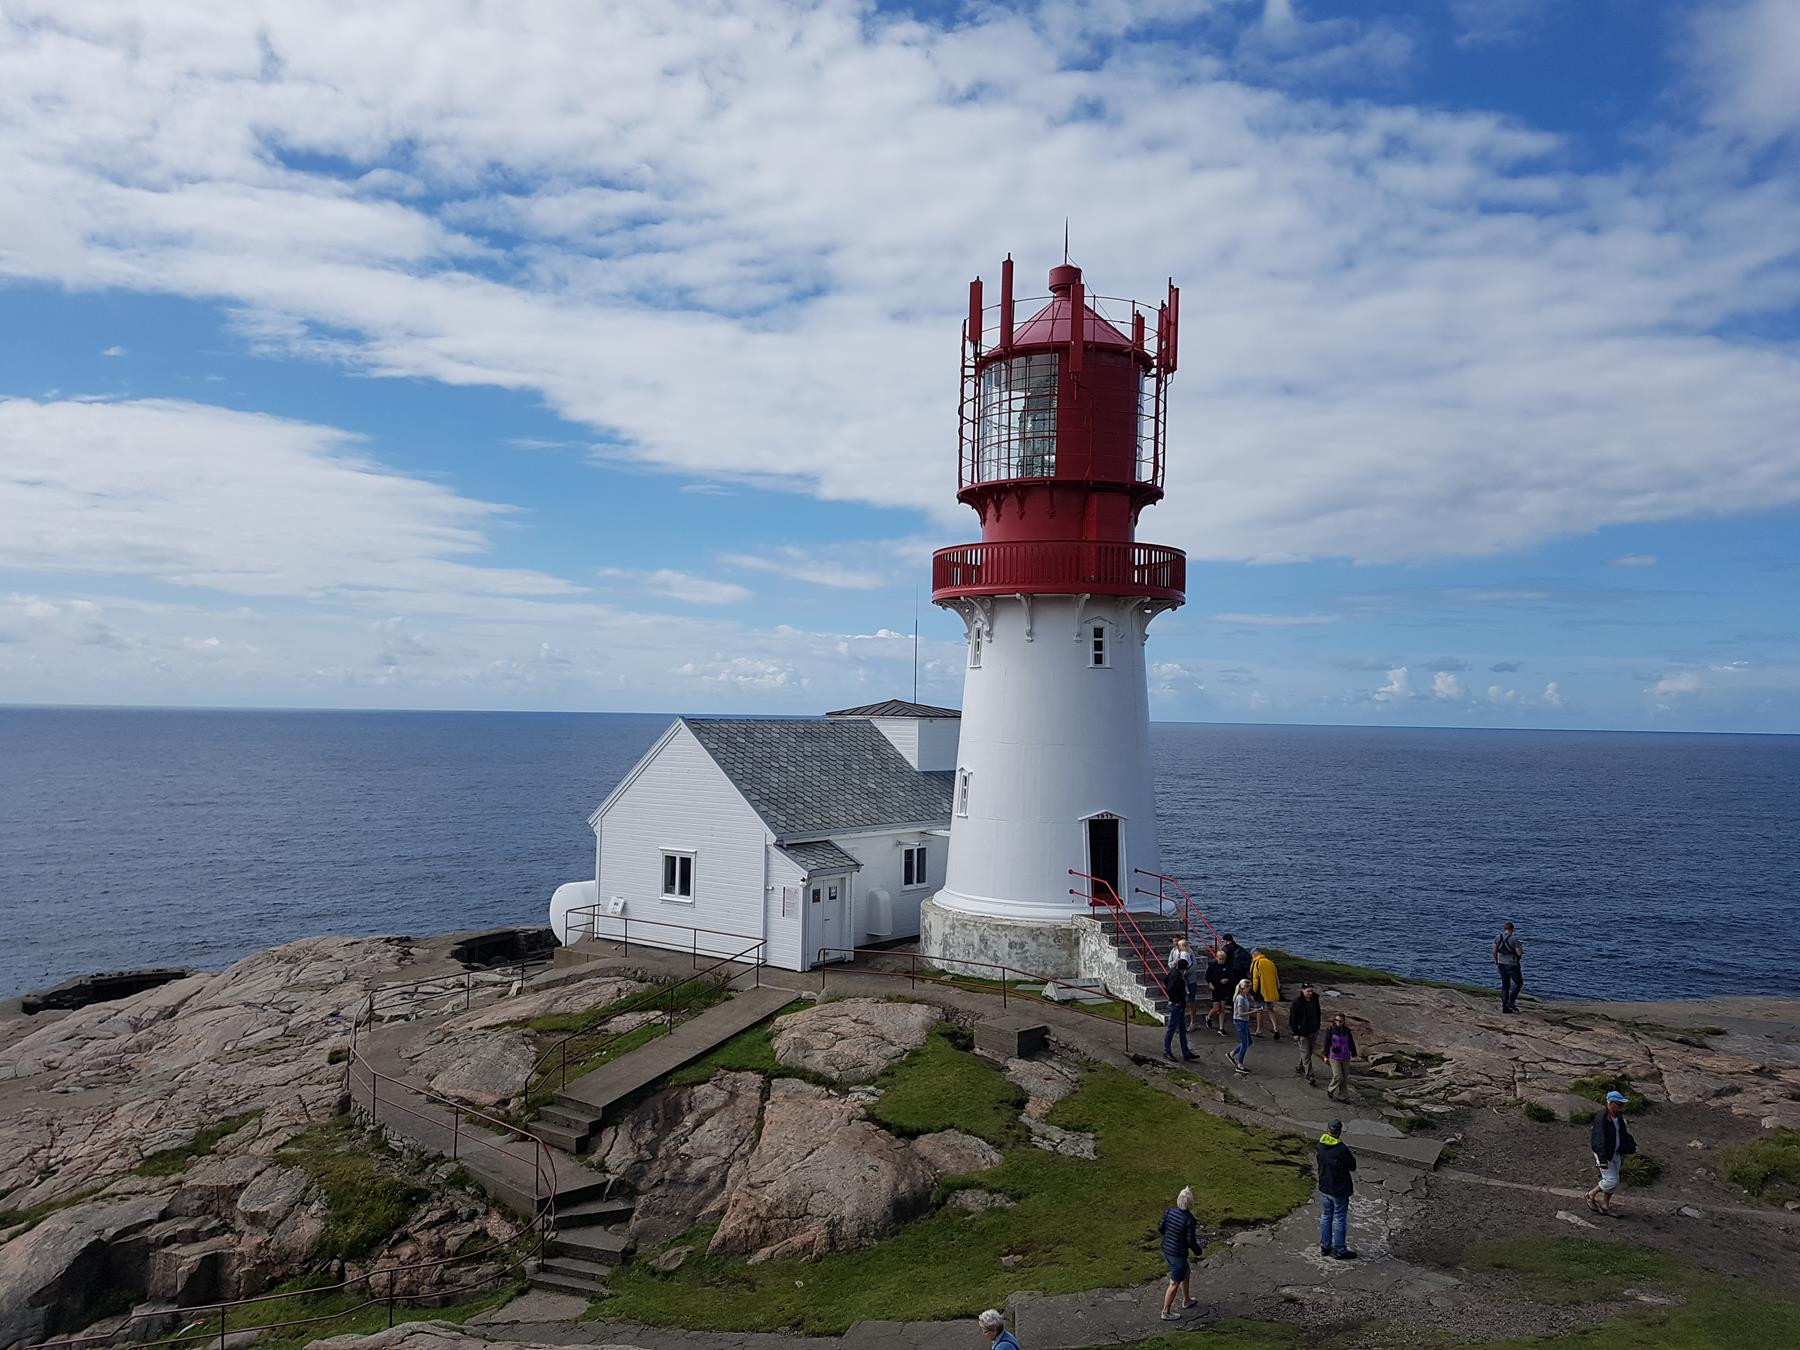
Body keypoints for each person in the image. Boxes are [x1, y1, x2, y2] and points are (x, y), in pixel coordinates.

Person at [1157, 1185, 1205, 1320]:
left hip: (1167, 1248)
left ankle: (1187, 1299)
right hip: (1178, 1253)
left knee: (1186, 1272)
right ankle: (1165, 1312)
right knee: (1174, 1282)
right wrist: (1198, 1251)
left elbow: (1161, 1227)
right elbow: (1190, 1241)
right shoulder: (1189, 1220)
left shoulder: (1169, 1211)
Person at [1586, 1090, 1636, 1217]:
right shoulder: (1602, 1118)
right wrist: (1602, 1159)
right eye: (1618, 1104)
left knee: (1615, 1179)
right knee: (1611, 1180)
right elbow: (1599, 1139)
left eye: (1621, 1105)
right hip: (1605, 1154)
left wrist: (1628, 1145)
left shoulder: (1618, 1117)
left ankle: (1605, 1204)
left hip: (1615, 1152)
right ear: (1610, 1103)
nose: (1620, 1107)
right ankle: (1591, 1194)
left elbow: (1621, 1133)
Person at [1315, 1118, 1358, 1259]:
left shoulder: (1320, 1145)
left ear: (1328, 1130)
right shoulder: (1341, 1149)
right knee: (1339, 1218)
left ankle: (1325, 1246)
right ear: (1339, 1132)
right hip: (1339, 1189)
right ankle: (1340, 1249)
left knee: (1326, 1216)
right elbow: (1353, 1166)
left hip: (1325, 1186)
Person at [1163, 958, 1198, 1062]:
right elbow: (1171, 989)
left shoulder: (1173, 973)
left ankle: (1186, 1052)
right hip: (1176, 1005)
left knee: (1182, 1029)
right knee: (1171, 1029)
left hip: (1178, 1005)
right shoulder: (1177, 977)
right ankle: (1167, 1051)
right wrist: (1177, 999)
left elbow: (1166, 981)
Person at [1289, 982, 1322, 1086]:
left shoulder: (1315, 999)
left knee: (1309, 1051)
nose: (1310, 993)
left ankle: (1300, 1065)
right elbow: (1293, 1018)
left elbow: (1318, 1012)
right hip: (1302, 1032)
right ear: (1302, 990)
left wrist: (1318, 1025)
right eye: (1308, 991)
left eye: (1311, 991)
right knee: (1306, 1053)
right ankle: (1309, 1075)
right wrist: (1295, 1032)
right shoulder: (1296, 1003)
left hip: (1313, 1030)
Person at [1324, 1012, 1358, 1102]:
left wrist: (1354, 1053)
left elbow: (1351, 1042)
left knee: (1345, 1077)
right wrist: (1325, 1055)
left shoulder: (1347, 1030)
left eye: (1340, 1021)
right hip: (1334, 1056)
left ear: (1344, 1022)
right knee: (1338, 1076)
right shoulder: (1331, 1030)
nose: (1338, 1022)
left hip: (1345, 1056)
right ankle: (1330, 1089)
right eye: (1336, 1020)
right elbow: (1327, 1043)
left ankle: (1343, 1096)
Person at [1492, 922, 1524, 1014]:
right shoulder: (1514, 940)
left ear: (1504, 929)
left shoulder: (1497, 938)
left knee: (1505, 985)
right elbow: (1519, 953)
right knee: (1518, 983)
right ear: (1512, 929)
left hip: (1501, 963)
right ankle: (1511, 1001)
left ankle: (1505, 1007)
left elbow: (1494, 951)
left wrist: (1496, 961)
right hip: (1512, 964)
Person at [1249, 948, 1281, 1039]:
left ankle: (1259, 1030)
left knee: (1259, 1010)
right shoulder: (1270, 962)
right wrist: (1278, 989)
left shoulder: (1256, 963)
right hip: (1270, 991)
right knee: (1270, 1009)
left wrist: (1253, 992)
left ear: (1254, 954)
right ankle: (1275, 1028)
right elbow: (1276, 977)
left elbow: (1255, 979)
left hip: (1260, 991)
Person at [1227, 978, 1254, 1074]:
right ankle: (1239, 1064)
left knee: (1249, 1041)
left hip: (1244, 1021)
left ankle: (1232, 1053)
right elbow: (1240, 1013)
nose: (1249, 989)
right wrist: (1253, 1012)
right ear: (1243, 988)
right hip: (1240, 1021)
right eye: (1248, 988)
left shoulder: (1245, 996)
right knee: (1244, 1043)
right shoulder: (1240, 998)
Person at [1204, 948, 1232, 1035]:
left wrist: (1227, 979)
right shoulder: (1212, 966)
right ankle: (1209, 1017)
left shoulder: (1227, 966)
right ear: (1217, 958)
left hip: (1224, 988)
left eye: (1223, 959)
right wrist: (1210, 984)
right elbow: (1208, 976)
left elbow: (1231, 975)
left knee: (1222, 1009)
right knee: (1216, 1008)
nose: (1222, 961)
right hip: (1215, 988)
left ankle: (1221, 1028)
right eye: (1220, 959)